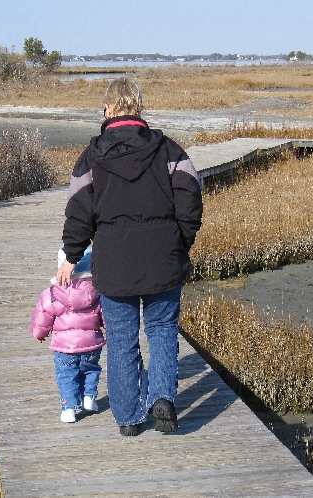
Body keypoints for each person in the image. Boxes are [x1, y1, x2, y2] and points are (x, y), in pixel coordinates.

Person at [56, 77, 203, 436]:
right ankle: (163, 397)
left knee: (122, 338)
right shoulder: (169, 150)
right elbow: (191, 199)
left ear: (108, 110)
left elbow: (78, 211)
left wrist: (71, 257)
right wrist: (179, 242)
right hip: (163, 259)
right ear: (138, 109)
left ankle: (128, 419)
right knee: (162, 329)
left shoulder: (91, 156)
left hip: (115, 264)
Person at [31, 245, 105, 423]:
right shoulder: (97, 291)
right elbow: (106, 317)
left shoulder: (53, 294)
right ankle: (89, 398)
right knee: (91, 369)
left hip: (65, 347)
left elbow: (43, 317)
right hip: (91, 344)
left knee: (67, 375)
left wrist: (39, 333)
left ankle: (69, 409)